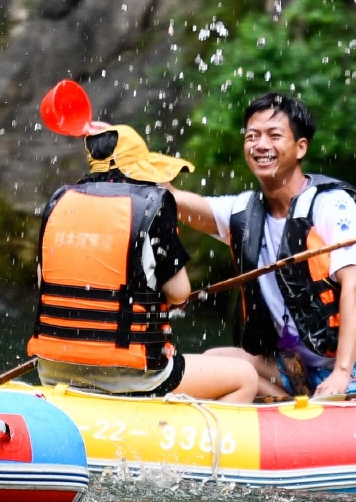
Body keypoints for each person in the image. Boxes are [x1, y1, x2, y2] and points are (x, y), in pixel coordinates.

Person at [173, 92, 356, 399]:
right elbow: (174, 201)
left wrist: (341, 375)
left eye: (274, 136)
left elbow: (355, 288)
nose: (261, 145)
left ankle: (308, 407)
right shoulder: (245, 213)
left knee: (338, 389)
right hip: (300, 368)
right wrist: (127, 164)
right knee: (215, 364)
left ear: (301, 147)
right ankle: (289, 408)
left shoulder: (331, 204)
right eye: (252, 136)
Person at [25, 123, 260, 402]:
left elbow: (44, 282)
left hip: (53, 368)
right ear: (139, 170)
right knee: (245, 378)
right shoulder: (152, 206)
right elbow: (179, 292)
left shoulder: (60, 204)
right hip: (131, 373)